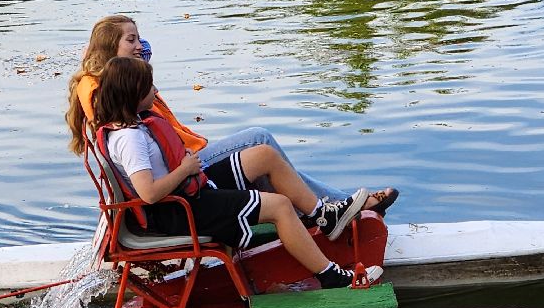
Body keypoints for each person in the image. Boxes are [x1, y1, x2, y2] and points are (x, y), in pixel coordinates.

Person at [66, 14, 398, 211]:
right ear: (110, 47)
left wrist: (138, 70)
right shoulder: (98, 87)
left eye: (139, 39)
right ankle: (334, 207)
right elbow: (123, 127)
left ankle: (317, 209)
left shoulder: (112, 78)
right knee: (258, 138)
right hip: (182, 169)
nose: (140, 46)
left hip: (184, 158)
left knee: (262, 156)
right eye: (131, 40)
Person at [91, 56, 361, 288]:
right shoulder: (129, 139)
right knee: (280, 206)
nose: (156, 89)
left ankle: (323, 216)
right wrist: (184, 169)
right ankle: (329, 275)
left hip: (188, 191)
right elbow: (149, 194)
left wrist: (184, 167)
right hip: (180, 210)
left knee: (264, 154)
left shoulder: (134, 125)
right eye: (150, 85)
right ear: (133, 92)